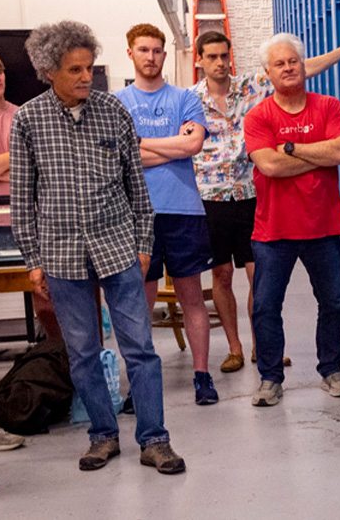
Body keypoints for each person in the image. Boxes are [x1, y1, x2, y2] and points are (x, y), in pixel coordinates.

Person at [11, 20, 185, 473]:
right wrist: (33, 263)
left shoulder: (114, 112)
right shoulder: (29, 120)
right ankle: (103, 436)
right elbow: (22, 199)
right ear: (50, 71)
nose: (87, 76)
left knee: (141, 349)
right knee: (83, 353)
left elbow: (137, 190)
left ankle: (154, 439)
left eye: (89, 67)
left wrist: (143, 245)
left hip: (118, 249)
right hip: (61, 256)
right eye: (75, 69)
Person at [191, 26, 340, 373]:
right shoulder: (191, 99)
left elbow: (299, 66)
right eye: (212, 57)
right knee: (221, 275)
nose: (220, 63)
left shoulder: (251, 87)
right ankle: (235, 349)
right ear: (199, 61)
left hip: (251, 196)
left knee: (261, 285)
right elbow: (268, 163)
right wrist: (312, 157)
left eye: (224, 55)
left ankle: (263, 351)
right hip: (212, 197)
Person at [244, 33, 340, 407]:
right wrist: (314, 155)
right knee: (265, 306)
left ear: (303, 65)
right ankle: (270, 379)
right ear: (268, 72)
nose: (288, 68)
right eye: (279, 64)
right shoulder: (259, 116)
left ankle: (331, 369)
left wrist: (291, 147)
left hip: (322, 226)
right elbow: (269, 165)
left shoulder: (328, 106)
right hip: (273, 230)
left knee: (334, 302)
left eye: (293, 61)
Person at [114, 23, 216, 406]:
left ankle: (202, 377)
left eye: (157, 50)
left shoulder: (185, 98)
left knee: (192, 297)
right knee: (139, 303)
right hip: (135, 213)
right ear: (130, 53)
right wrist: (172, 146)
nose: (152, 57)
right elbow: (124, 156)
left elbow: (193, 145)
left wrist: (143, 145)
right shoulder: (117, 102)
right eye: (144, 50)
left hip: (184, 210)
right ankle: (139, 385)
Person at [0, 54, 63, 344]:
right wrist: (18, 160)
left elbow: (38, 168)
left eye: (0, 70)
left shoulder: (24, 115)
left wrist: (3, 167)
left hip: (29, 220)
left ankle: (60, 359)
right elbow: (25, 164)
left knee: (47, 299)